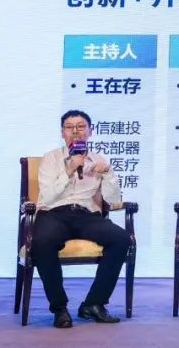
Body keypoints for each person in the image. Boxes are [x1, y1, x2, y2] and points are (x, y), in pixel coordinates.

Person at [32, 110, 130, 328]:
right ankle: (59, 308)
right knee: (42, 241)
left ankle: (94, 304)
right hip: (54, 213)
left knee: (121, 238)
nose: (75, 131)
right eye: (69, 127)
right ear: (62, 133)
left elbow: (113, 200)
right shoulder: (50, 158)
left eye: (81, 126)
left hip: (86, 215)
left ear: (90, 131)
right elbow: (47, 196)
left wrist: (108, 174)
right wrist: (68, 171)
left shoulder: (99, 160)